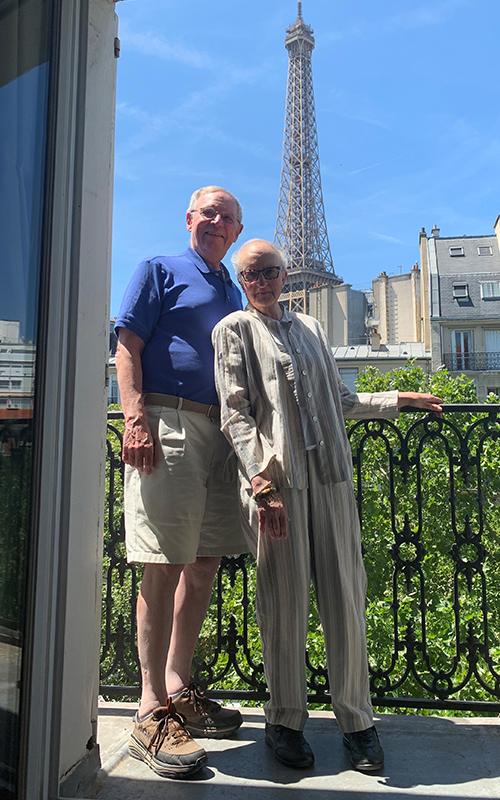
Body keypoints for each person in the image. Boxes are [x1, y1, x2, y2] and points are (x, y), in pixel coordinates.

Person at [212, 239, 443, 773]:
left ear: (286, 274)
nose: (264, 281)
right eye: (252, 274)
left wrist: (398, 400)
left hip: (333, 480)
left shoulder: (312, 328)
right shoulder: (234, 330)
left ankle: (357, 721)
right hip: (280, 485)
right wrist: (262, 484)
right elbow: (235, 412)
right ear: (242, 282)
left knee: (346, 598)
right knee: (283, 605)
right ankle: (285, 720)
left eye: (271, 271)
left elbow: (341, 399)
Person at [114, 186, 247, 779]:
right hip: (168, 422)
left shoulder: (233, 289)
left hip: (221, 434)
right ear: (189, 219)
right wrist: (135, 417)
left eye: (228, 217)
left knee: (205, 561)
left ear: (236, 233)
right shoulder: (158, 270)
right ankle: (149, 707)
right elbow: (127, 345)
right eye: (209, 212)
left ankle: (177, 685)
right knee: (162, 562)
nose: (217, 222)